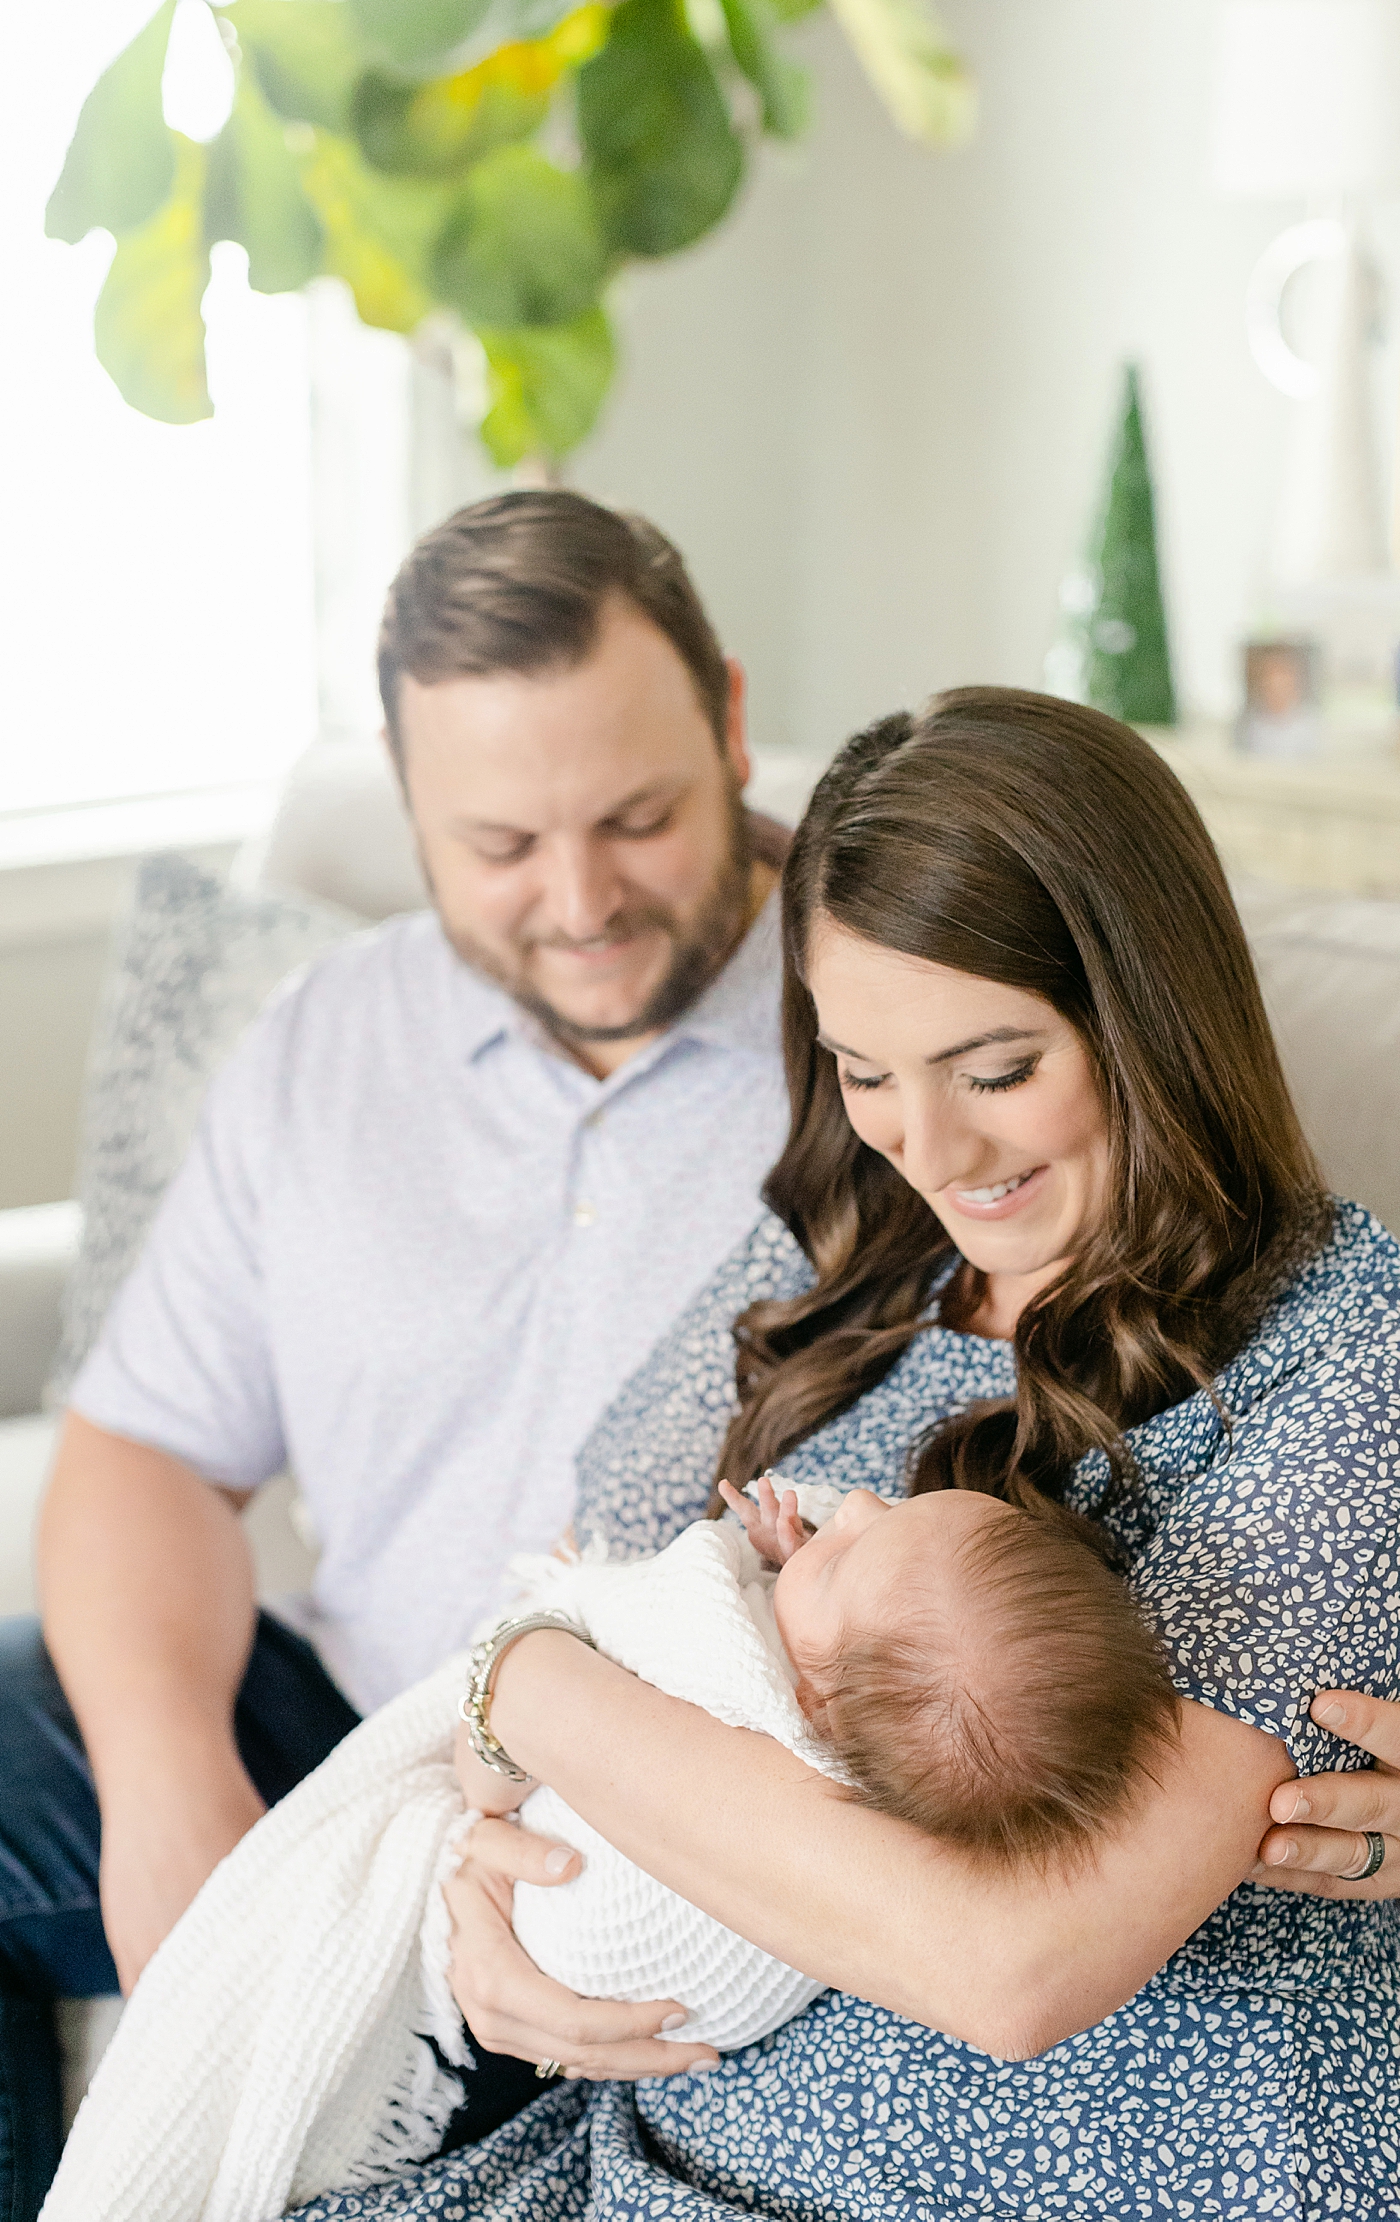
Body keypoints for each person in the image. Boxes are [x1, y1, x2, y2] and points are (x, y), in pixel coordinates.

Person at [288, 688, 1400, 2222]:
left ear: (1150, 1010)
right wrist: (483, 1879)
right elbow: (569, 1604)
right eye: (866, 1069)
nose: (931, 1152)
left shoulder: (1331, 1353)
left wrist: (526, 1685)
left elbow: (1009, 1959)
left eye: (996, 1067)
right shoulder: (838, 1253)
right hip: (669, 2155)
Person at [0, 491, 795, 2222]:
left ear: (730, 721)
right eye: (501, 845)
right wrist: (168, 1793)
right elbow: (143, 1450)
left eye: (641, 817)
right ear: (410, 803)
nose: (580, 900)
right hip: (349, 1756)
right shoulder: (334, 1037)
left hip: (648, 1838)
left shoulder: (893, 1029)